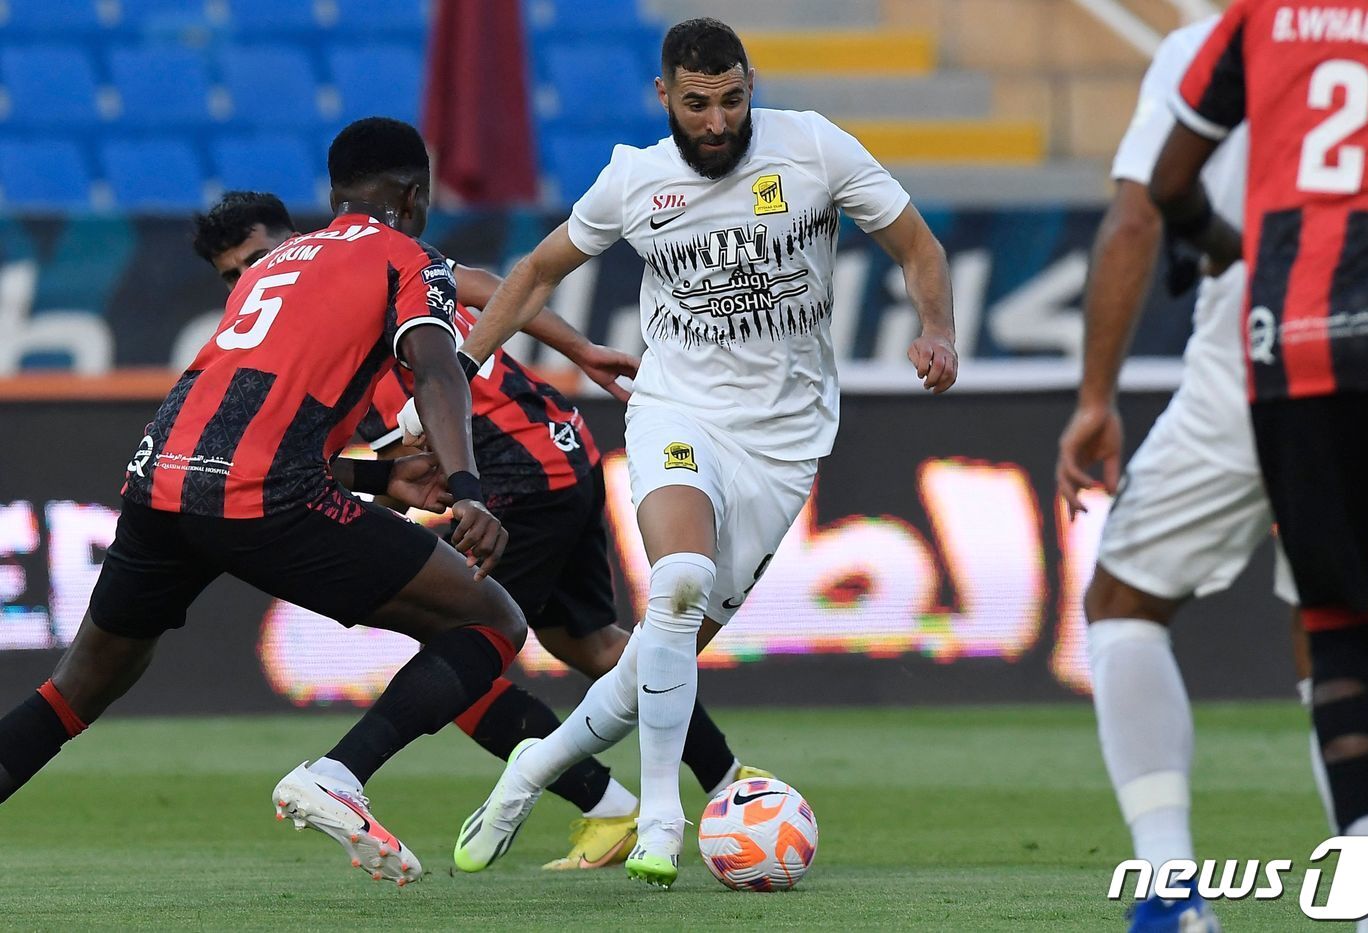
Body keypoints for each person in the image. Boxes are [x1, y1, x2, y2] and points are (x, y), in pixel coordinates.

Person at [452, 17, 958, 888]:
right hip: (676, 409)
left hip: (786, 441)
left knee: (662, 651)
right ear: (665, 98)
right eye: (698, 104)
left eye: (731, 99)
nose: (718, 121)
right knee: (677, 579)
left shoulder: (814, 149)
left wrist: (937, 328)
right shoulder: (634, 180)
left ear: (749, 82)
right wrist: (463, 365)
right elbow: (535, 272)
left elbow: (916, 244)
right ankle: (659, 819)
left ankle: (529, 771)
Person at [0, 117, 522, 887]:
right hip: (260, 495)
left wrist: (381, 480)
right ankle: (339, 773)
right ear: (414, 197)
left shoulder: (274, 264)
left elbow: (250, 419)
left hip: (160, 476)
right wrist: (468, 487)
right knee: (492, 618)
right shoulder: (408, 257)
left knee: (83, 681)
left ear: (335, 194)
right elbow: (437, 369)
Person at [192, 191, 770, 871]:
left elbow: (486, 291)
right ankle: (730, 780)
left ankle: (608, 804)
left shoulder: (342, 282)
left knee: (464, 650)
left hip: (520, 478)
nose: (248, 279)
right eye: (232, 275)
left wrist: (580, 349)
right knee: (593, 643)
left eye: (257, 258)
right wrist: (578, 349)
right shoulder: (356, 281)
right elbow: (485, 290)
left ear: (294, 241)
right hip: (562, 451)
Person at [1058, 15, 1368, 931]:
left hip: (1258, 348)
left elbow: (1141, 208)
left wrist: (1097, 396)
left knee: (1125, 602)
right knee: (1338, 637)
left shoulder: (1230, 37)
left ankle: (1172, 888)